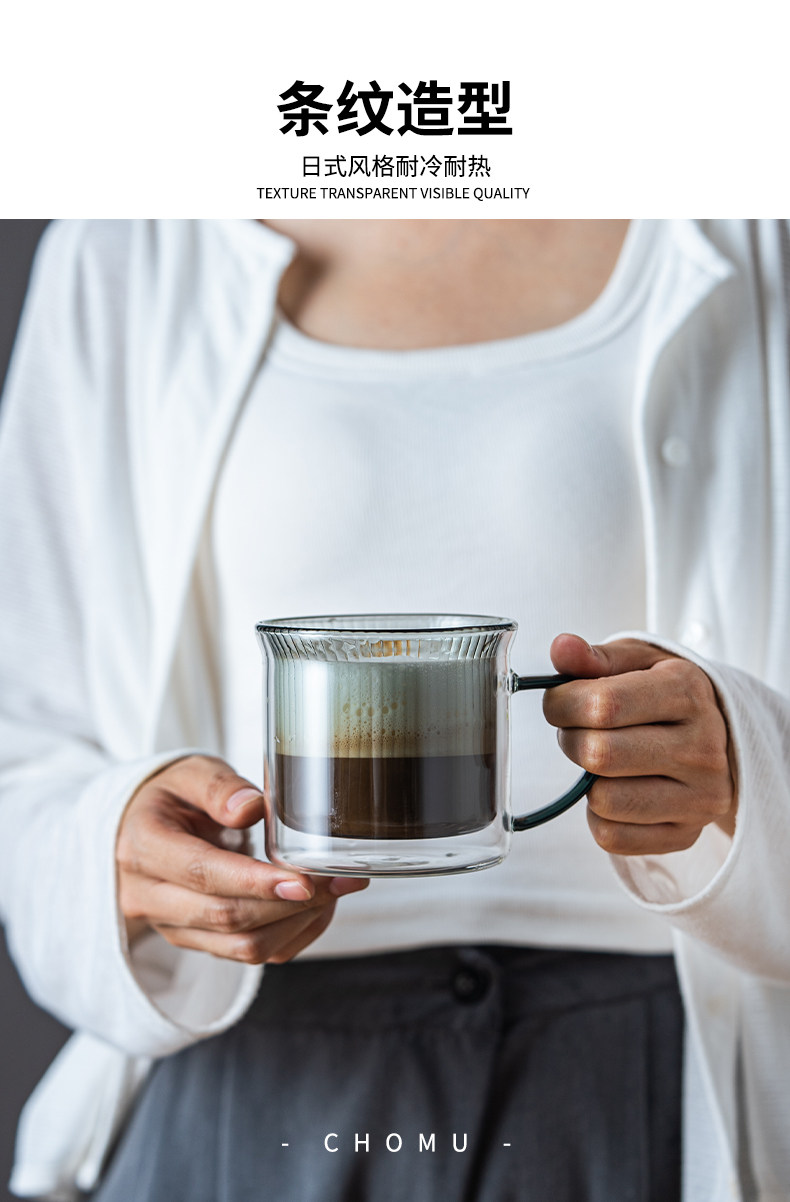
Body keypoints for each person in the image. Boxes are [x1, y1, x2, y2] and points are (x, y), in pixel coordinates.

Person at [0, 218, 788, 1202]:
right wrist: (115, 847)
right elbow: (24, 754)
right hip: (251, 1085)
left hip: (651, 1088)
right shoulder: (131, 242)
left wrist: (749, 764)